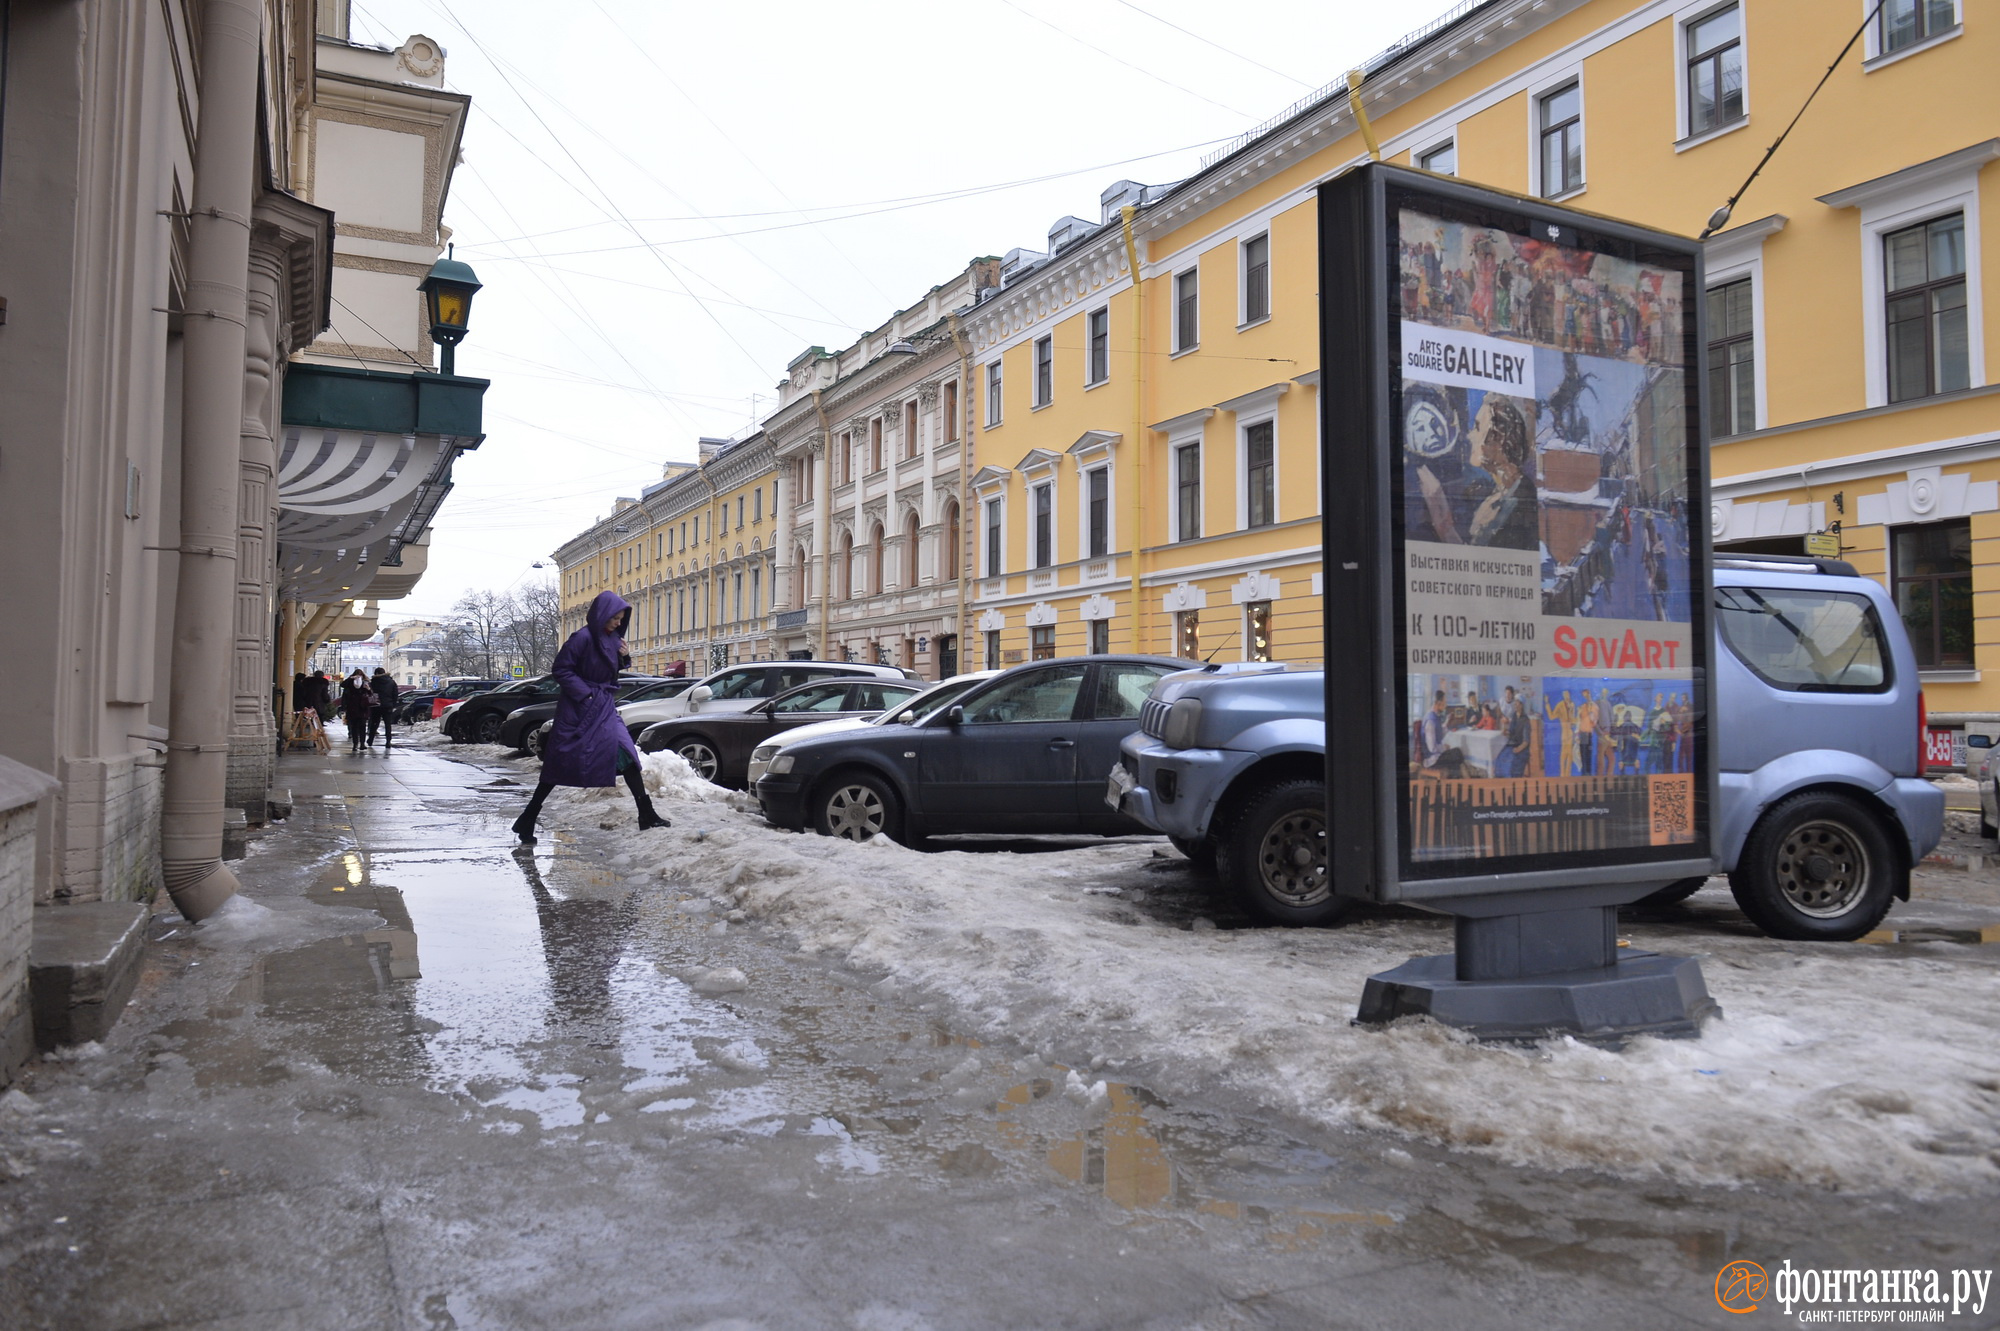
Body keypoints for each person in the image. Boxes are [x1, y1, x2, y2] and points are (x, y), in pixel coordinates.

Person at [513, 591, 668, 844]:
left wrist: (623, 656)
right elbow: (561, 669)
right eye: (615, 618)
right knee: (560, 762)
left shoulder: (613, 638)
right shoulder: (582, 638)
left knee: (627, 752)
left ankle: (646, 813)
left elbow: (610, 671)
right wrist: (585, 696)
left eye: (621, 618)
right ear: (602, 615)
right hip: (579, 709)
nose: (619, 623)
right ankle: (527, 818)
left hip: (604, 706)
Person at [339, 670, 373, 754]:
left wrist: (368, 689)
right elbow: (342, 685)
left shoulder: (365, 683)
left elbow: (370, 694)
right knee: (360, 726)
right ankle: (359, 744)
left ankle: (358, 744)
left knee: (356, 727)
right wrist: (350, 679)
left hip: (357, 707)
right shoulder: (351, 683)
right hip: (359, 708)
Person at [370, 668, 400, 749]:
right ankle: (388, 741)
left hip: (376, 705)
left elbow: (370, 693)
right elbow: (395, 694)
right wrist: (393, 704)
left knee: (374, 723)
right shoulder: (391, 682)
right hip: (387, 705)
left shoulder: (374, 682)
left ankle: (370, 740)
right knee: (388, 724)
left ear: (376, 673)